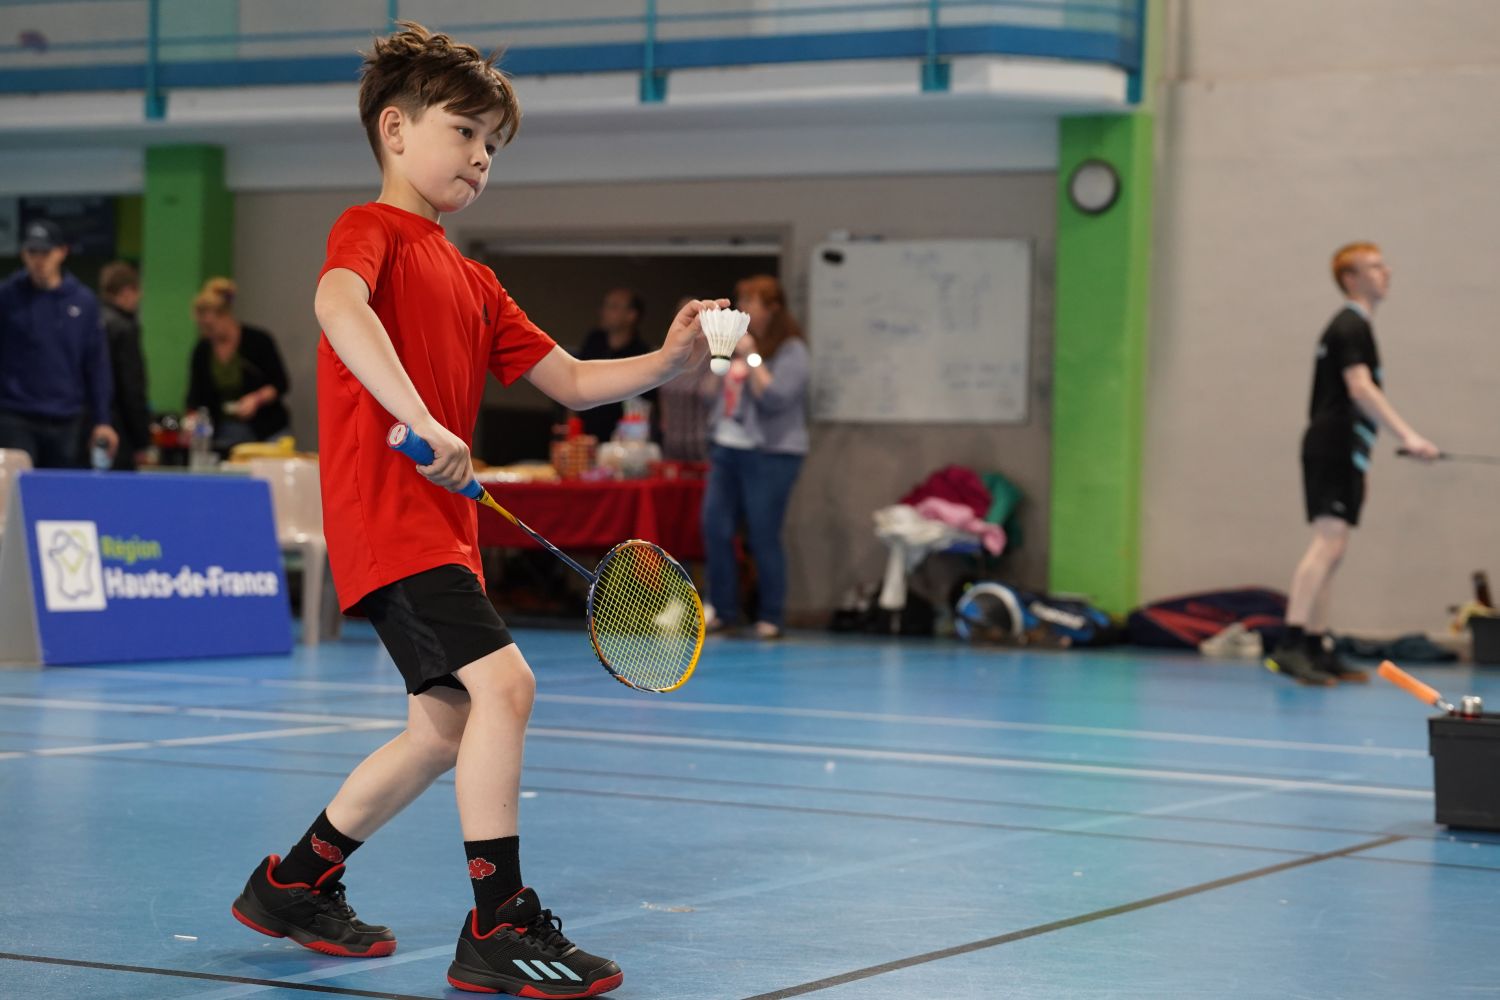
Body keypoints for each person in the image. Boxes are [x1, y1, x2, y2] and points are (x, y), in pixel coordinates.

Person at [229, 22, 720, 997]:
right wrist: (415, 415)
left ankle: (295, 880)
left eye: (494, 143)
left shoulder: (476, 279)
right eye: (465, 131)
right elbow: (339, 310)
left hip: (442, 528)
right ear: (396, 129)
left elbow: (574, 379)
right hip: (392, 520)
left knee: (443, 724)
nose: (482, 156)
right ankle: (499, 924)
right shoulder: (367, 233)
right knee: (507, 689)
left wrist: (667, 362)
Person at [1264, 242, 1440, 685]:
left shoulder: (1355, 327)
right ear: (1351, 278)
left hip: (1347, 448)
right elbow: (1360, 390)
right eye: (1375, 267)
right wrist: (1409, 436)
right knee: (1326, 543)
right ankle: (1290, 644)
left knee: (1334, 549)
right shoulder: (1350, 327)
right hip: (1332, 444)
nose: (1387, 272)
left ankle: (1316, 645)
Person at [700, 274, 810, 639]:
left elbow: (776, 397)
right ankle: (723, 609)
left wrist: (752, 356)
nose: (743, 310)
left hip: (771, 454)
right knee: (715, 527)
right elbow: (707, 392)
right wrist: (721, 355)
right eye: (740, 301)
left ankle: (771, 616)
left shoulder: (791, 350)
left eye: (752, 303)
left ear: (772, 310)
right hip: (727, 448)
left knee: (763, 533)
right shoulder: (732, 346)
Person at [0, 219, 117, 468]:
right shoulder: (7, 297)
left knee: (57, 497)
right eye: (32, 252)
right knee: (15, 494)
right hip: (15, 415)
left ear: (62, 252)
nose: (39, 260)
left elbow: (96, 363)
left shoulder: (83, 302)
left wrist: (103, 420)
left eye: (46, 252)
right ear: (23, 254)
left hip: (67, 419)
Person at [185, 277, 291, 452]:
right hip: (225, 433)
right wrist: (192, 420)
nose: (208, 332)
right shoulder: (202, 351)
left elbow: (280, 383)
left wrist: (256, 399)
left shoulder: (259, 341)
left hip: (267, 430)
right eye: (203, 328)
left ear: (226, 315)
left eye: (211, 327)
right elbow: (195, 397)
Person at [571, 287, 653, 442]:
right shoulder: (594, 341)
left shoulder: (641, 353)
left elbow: (645, 405)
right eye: (605, 306)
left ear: (631, 315)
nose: (604, 311)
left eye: (613, 307)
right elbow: (574, 379)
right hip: (586, 433)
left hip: (623, 439)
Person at [98, 261, 153, 470]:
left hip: (89, 424)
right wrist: (142, 439)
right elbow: (131, 387)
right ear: (128, 291)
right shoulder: (125, 329)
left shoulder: (91, 321)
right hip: (119, 429)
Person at [655, 295, 717, 462]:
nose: (693, 323)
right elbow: (662, 390)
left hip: (704, 446)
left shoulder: (716, 357)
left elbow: (711, 394)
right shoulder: (671, 354)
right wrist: (664, 421)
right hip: (672, 442)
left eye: (697, 316)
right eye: (687, 316)